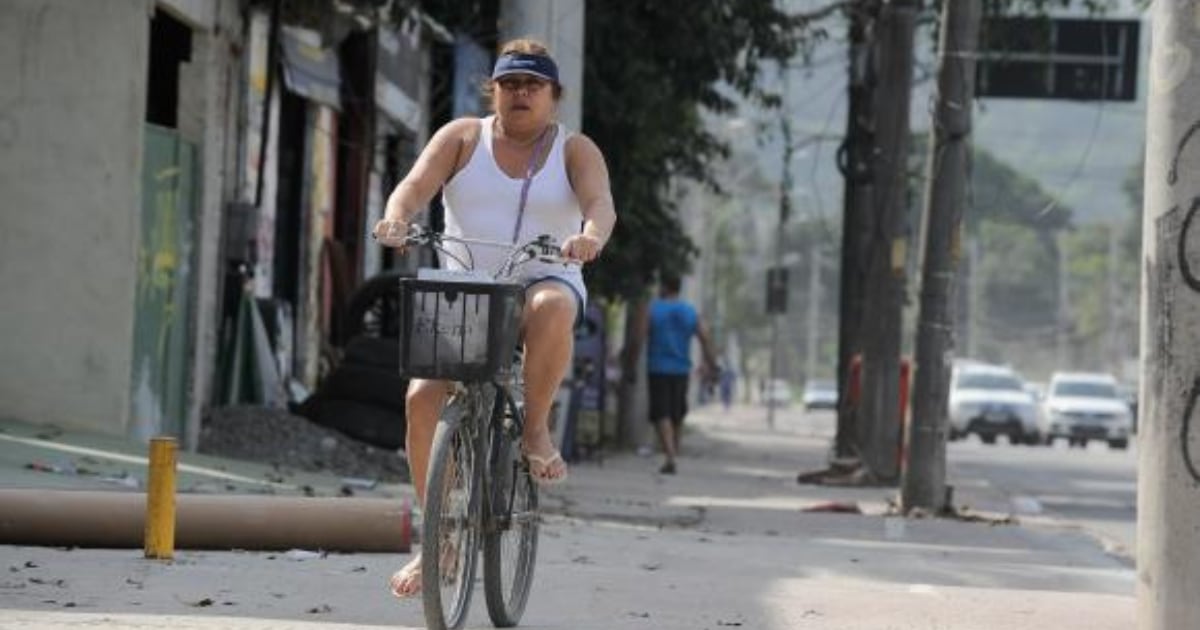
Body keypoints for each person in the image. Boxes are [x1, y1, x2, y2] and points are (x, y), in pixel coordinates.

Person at [372, 38, 616, 598]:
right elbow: (413, 187)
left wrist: (589, 236)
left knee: (552, 305)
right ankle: (439, 538)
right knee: (420, 399)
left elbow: (600, 202)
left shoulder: (575, 150)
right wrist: (395, 218)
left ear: (554, 96)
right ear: (494, 92)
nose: (520, 93)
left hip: (543, 279)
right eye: (509, 84)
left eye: (533, 85)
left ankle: (534, 430)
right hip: (468, 290)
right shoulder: (461, 138)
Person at [638, 274, 717, 475]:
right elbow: (705, 338)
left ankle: (671, 455)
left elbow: (639, 336)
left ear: (664, 287)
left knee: (661, 413)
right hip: (681, 369)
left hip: (658, 368)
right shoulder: (690, 311)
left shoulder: (653, 309)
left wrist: (629, 362)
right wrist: (712, 364)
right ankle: (673, 451)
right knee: (677, 413)